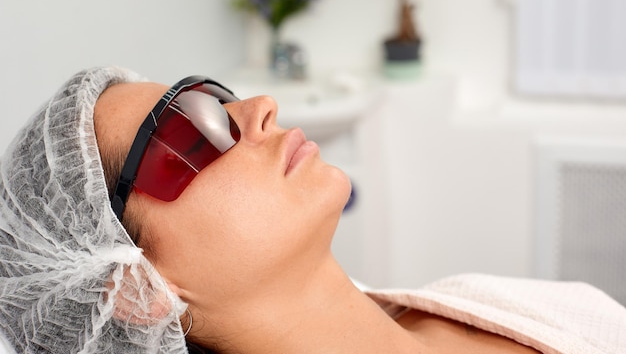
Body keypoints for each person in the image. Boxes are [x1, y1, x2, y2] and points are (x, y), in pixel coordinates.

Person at [0, 66, 624, 354]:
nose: (261, 107)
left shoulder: (485, 299)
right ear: (135, 290)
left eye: (216, 96)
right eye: (187, 132)